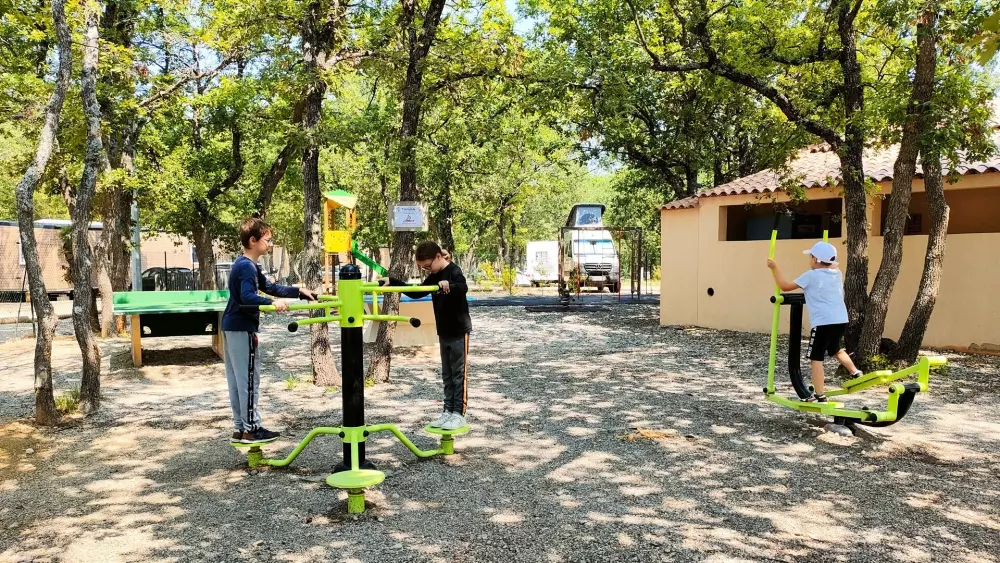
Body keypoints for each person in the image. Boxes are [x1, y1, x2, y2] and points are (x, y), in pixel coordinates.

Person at [222, 218, 314, 443]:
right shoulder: (246, 266)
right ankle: (251, 429)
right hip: (242, 327)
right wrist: (272, 303)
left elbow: (270, 287)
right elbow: (247, 297)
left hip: (232, 325)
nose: (271, 244)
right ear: (253, 240)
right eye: (268, 240)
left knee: (237, 380)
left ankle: (240, 428)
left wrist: (298, 292)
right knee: (248, 379)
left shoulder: (246, 264)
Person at [386, 241, 472, 430]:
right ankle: (448, 411)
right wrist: (392, 282)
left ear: (438, 257)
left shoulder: (453, 270)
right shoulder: (434, 276)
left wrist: (449, 285)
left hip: (458, 331)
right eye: (423, 268)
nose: (427, 270)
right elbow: (417, 292)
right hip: (444, 332)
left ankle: (459, 414)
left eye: (428, 265)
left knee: (459, 374)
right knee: (447, 375)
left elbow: (462, 287)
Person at [767, 241, 862, 402]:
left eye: (811, 257)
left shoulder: (810, 276)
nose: (809, 259)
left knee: (816, 358)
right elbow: (833, 265)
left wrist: (774, 267)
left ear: (816, 259)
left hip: (823, 322)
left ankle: (820, 394)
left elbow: (785, 286)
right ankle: (856, 372)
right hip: (840, 320)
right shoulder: (837, 274)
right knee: (836, 349)